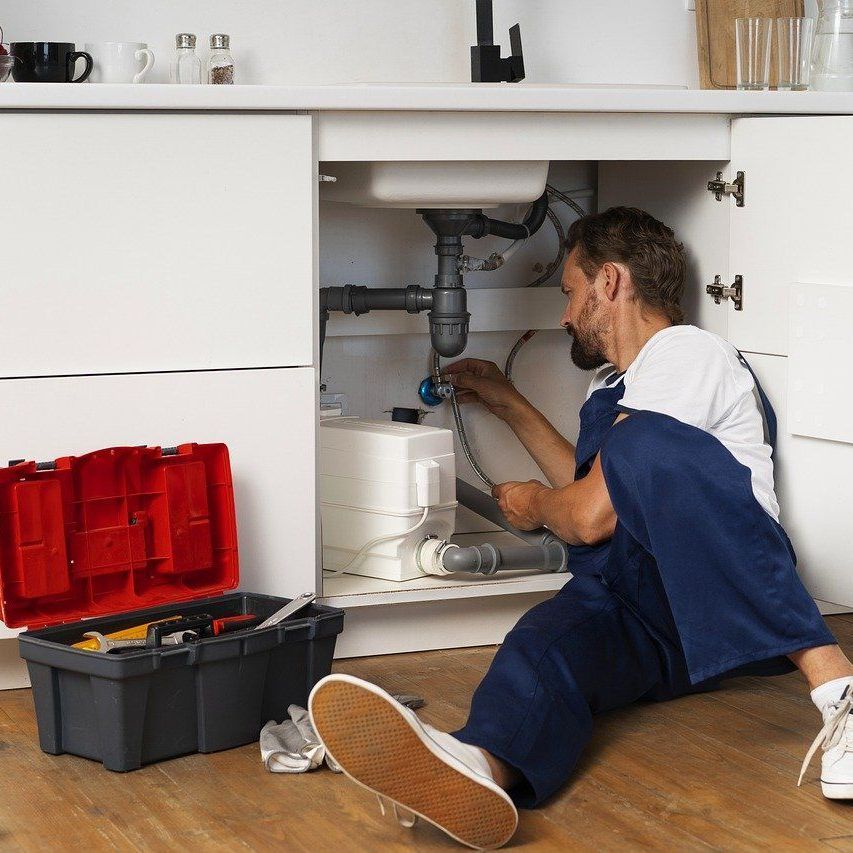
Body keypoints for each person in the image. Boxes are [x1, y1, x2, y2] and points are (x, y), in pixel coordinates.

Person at [309, 207, 853, 850]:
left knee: (639, 448)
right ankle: (479, 767)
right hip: (646, 611)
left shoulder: (687, 353)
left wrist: (541, 504)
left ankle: (839, 690)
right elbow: (598, 486)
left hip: (724, 590)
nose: (566, 315)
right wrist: (508, 403)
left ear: (612, 282)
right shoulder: (615, 384)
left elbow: (592, 513)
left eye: (571, 291)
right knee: (543, 647)